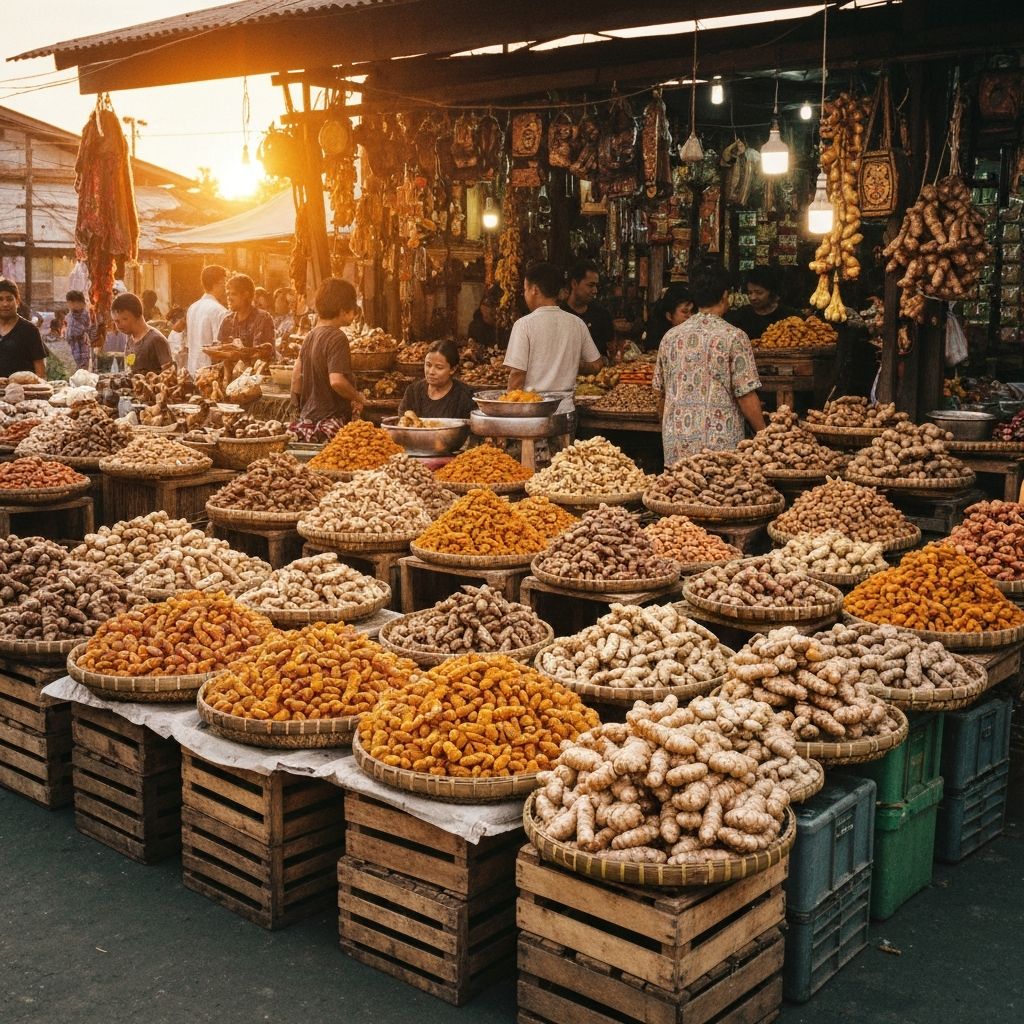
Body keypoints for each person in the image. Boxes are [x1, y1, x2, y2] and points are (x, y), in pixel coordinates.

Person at [654, 264, 765, 463]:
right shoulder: (734, 337)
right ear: (725, 295)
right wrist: (764, 435)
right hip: (719, 445)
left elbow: (661, 395)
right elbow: (746, 395)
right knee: (718, 493)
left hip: (677, 442)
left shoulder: (670, 337)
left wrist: (668, 429)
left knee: (678, 492)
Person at [504, 261, 603, 424]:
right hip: (566, 413)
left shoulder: (524, 325)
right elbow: (597, 364)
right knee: (565, 450)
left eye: (525, 289)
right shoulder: (577, 323)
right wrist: (569, 363)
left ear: (534, 289)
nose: (525, 294)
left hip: (533, 413)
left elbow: (517, 375)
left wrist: (507, 415)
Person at [289, 277, 366, 442]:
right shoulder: (337, 337)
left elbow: (296, 377)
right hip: (330, 421)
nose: (354, 316)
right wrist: (357, 396)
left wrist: (297, 409)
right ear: (343, 309)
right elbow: (337, 381)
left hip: (307, 420)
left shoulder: (310, 335)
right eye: (353, 309)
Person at [399, 340, 475, 420]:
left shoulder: (466, 396)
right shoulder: (413, 392)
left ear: (453, 369)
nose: (431, 372)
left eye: (439, 367)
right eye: (428, 365)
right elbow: (403, 424)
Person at [725, 266, 799, 341]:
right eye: (750, 293)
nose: (753, 297)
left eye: (759, 292)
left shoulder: (788, 317)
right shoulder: (740, 317)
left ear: (771, 292)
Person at [559, 258, 614, 357]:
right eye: (590, 285)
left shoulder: (602, 314)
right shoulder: (559, 313)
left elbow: (611, 351)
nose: (595, 290)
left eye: (596, 286)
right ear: (574, 284)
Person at [110, 292, 173, 375]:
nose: (118, 326)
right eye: (115, 322)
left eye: (120, 320)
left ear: (136, 315)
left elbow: (170, 375)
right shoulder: (130, 339)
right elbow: (129, 369)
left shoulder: (156, 339)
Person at [185, 265, 228, 376]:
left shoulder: (192, 307)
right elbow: (218, 349)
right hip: (209, 375)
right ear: (217, 283)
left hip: (192, 370)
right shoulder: (219, 311)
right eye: (224, 282)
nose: (225, 287)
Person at [218, 274, 276, 355]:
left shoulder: (262, 318)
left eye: (233, 294)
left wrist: (237, 353)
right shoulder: (227, 321)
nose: (229, 298)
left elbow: (263, 354)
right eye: (228, 294)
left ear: (246, 295)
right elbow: (220, 350)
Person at [0, 278, 47, 378]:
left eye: (9, 299)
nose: (5, 304)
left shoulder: (30, 331)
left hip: (24, 391)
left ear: (17, 301)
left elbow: (40, 373)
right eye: (0, 299)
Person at [644, 285, 695, 351]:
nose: (690, 316)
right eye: (685, 312)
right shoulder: (661, 339)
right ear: (669, 316)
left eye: (692, 311)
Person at [64, 290, 97, 369]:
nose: (68, 304)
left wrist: (92, 343)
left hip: (81, 345)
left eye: (70, 302)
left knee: (81, 370)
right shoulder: (71, 314)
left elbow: (92, 329)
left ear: (76, 302)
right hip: (72, 345)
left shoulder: (86, 314)